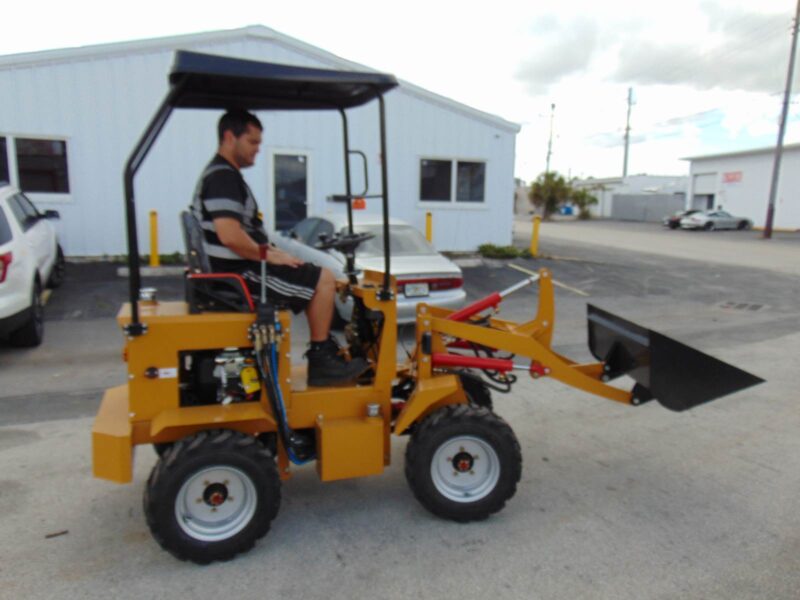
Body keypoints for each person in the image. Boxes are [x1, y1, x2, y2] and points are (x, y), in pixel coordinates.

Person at [191, 109, 367, 386]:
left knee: (309, 269)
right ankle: (322, 361)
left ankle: (324, 350)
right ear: (229, 137)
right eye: (252, 142)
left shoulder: (223, 176)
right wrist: (267, 255)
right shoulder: (222, 178)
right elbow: (230, 236)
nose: (257, 150)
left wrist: (274, 254)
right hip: (239, 274)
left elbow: (240, 234)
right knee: (323, 280)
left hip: (239, 267)